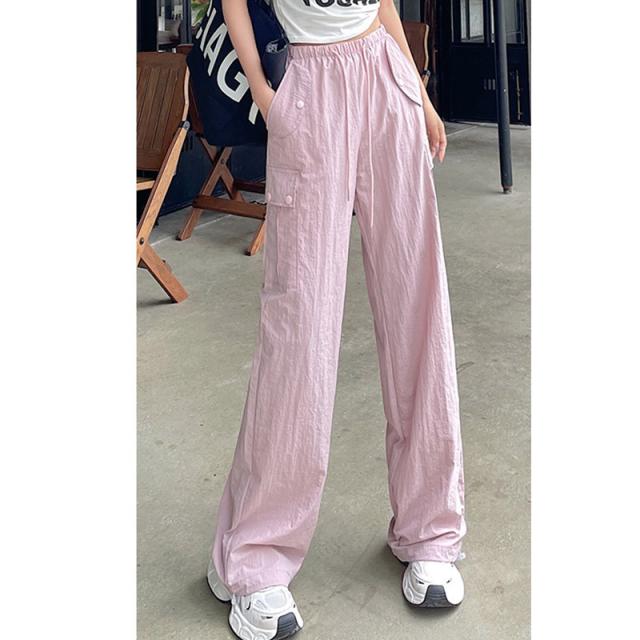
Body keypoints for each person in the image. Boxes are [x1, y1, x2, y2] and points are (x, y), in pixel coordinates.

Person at [207, 0, 467, 637]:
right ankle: (255, 552)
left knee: (418, 307)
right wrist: (268, 97)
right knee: (299, 324)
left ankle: (430, 529)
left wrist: (420, 98)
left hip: (386, 79)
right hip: (309, 87)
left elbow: (382, 5)